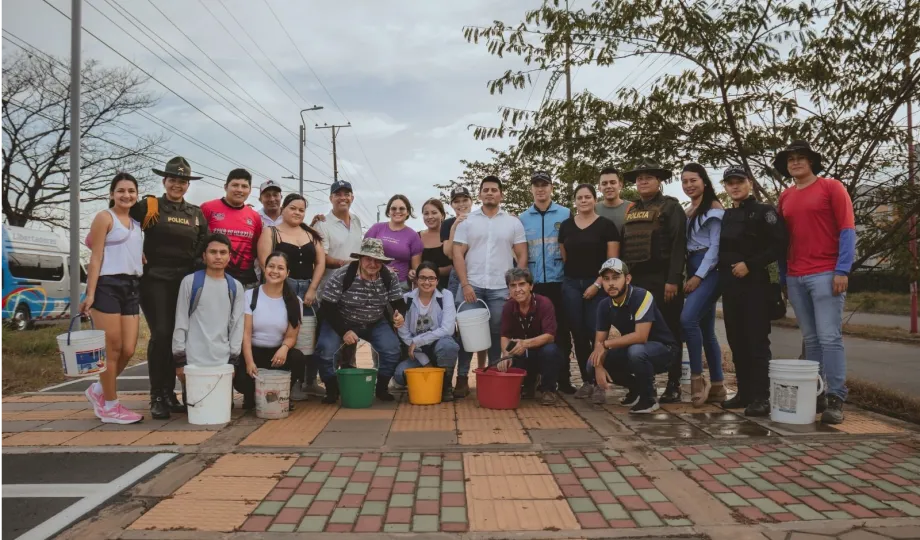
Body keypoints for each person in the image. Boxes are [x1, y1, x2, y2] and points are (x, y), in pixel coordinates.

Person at [775, 140, 855, 424]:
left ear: (811, 162)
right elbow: (782, 242)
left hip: (826, 272)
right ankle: (817, 393)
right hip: (796, 276)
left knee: (830, 337)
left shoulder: (832, 187)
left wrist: (842, 270)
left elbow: (847, 229)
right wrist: (783, 277)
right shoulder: (785, 197)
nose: (795, 163)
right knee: (810, 339)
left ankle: (836, 397)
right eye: (791, 159)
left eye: (801, 158)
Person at [131, 157, 209, 420]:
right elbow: (120, 220)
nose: (178, 184)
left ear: (188, 185)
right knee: (161, 334)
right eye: (173, 179)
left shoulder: (195, 214)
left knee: (178, 337)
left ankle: (170, 393)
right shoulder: (150, 205)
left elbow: (203, 246)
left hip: (184, 281)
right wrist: (133, 252)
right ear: (164, 181)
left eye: (183, 181)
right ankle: (157, 395)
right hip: (155, 279)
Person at [719, 166, 787, 417]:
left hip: (756, 286)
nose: (735, 186)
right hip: (731, 287)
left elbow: (779, 245)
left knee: (757, 342)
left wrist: (750, 265)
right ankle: (744, 393)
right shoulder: (727, 215)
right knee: (737, 341)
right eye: (730, 183)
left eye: (739, 181)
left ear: (749, 183)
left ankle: (762, 396)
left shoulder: (764, 212)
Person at [452, 176, 528, 395]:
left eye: (494, 190)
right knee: (467, 333)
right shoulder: (468, 221)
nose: (489, 193)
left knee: (498, 332)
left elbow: (522, 254)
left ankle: (495, 374)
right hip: (472, 286)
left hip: (501, 288)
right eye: (485, 190)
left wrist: (515, 287)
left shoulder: (512, 222)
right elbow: (457, 252)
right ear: (479, 195)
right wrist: (465, 284)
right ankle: (463, 378)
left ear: (501, 194)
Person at [619, 159, 686, 403]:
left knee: (670, 332)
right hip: (636, 282)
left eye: (649, 177)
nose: (643, 181)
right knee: (636, 332)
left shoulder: (670, 207)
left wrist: (673, 280)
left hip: (663, 280)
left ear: (659, 181)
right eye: (639, 178)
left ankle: (673, 383)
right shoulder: (631, 209)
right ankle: (640, 385)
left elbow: (679, 246)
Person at [80, 173, 145, 424]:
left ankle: (98, 390)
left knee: (129, 349)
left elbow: (131, 250)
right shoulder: (104, 218)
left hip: (131, 286)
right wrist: (90, 293)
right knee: (112, 349)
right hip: (108, 285)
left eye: (131, 191)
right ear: (111, 194)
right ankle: (110, 406)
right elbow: (95, 258)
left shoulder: (137, 224)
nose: (126, 195)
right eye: (120, 191)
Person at [316, 238, 408, 403]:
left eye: (377, 260)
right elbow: (327, 307)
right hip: (340, 320)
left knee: (392, 349)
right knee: (326, 349)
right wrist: (344, 331)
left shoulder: (389, 276)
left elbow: (398, 302)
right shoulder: (342, 274)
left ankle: (381, 387)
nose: (372, 263)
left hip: (375, 322)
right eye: (368, 259)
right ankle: (331, 389)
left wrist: (400, 315)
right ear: (360, 258)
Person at [256, 193, 326, 400]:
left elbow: (320, 262)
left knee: (309, 337)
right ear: (283, 209)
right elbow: (264, 263)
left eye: (301, 209)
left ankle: (310, 381)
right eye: (293, 208)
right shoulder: (271, 232)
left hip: (308, 291)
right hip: (281, 289)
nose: (297, 212)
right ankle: (288, 382)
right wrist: (281, 289)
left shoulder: (311, 234)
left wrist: (313, 288)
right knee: (286, 335)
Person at [587, 258, 679, 413]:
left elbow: (641, 336)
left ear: (627, 279)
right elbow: (599, 342)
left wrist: (605, 346)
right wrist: (598, 366)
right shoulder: (604, 305)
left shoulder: (642, 296)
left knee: (636, 351)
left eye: (616, 278)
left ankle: (648, 399)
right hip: (635, 350)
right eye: (606, 279)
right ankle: (636, 388)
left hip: (664, 350)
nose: (611, 283)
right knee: (591, 363)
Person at [557, 184, 620, 401]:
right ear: (575, 201)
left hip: (599, 285)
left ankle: (600, 382)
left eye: (587, 197)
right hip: (572, 284)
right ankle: (587, 381)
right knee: (578, 334)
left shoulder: (606, 226)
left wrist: (597, 284)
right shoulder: (565, 226)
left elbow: (612, 262)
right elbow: (565, 256)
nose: (583, 200)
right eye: (579, 197)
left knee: (597, 335)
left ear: (595, 199)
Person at [518, 171, 576, 395]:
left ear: (552, 187)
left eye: (545, 185)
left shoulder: (565, 213)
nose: (540, 189)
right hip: (534, 284)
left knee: (561, 332)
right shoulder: (523, 218)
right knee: (532, 332)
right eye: (536, 185)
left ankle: (564, 378)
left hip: (559, 281)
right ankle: (533, 378)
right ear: (531, 189)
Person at [172, 234, 245, 405]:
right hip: (194, 360)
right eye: (213, 252)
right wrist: (180, 360)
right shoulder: (190, 282)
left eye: (223, 252)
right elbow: (181, 321)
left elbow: (237, 325)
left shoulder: (235, 286)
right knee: (196, 407)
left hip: (222, 361)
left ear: (230, 256)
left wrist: (233, 361)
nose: (218, 256)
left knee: (222, 408)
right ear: (204, 256)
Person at [234, 252, 308, 409]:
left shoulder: (295, 301)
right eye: (271, 266)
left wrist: (284, 348)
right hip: (252, 351)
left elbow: (291, 336)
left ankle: (280, 394)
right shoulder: (250, 295)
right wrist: (249, 362)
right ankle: (251, 396)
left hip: (276, 355)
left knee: (297, 358)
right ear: (264, 268)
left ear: (287, 273)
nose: (275, 271)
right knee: (241, 379)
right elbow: (245, 334)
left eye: (280, 268)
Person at [679, 163, 726, 407]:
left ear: (704, 182)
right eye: (685, 181)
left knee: (688, 320)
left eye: (693, 180)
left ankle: (698, 379)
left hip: (709, 269)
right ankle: (718, 384)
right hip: (694, 264)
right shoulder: (691, 210)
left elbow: (716, 248)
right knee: (706, 330)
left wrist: (698, 276)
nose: (689, 185)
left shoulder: (714, 209)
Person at [440, 185, 486, 396]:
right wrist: (455, 227)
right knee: (463, 328)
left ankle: (484, 372)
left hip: (483, 276)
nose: (461, 204)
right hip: (459, 279)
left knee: (486, 327)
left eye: (464, 200)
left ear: (471, 200)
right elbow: (449, 253)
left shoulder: (481, 219)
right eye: (456, 201)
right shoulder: (449, 223)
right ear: (451, 205)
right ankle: (461, 377)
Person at [495, 268, 564, 405]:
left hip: (542, 350)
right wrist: (505, 355)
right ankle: (528, 384)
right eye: (513, 286)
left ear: (531, 286)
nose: (517, 289)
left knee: (550, 351)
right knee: (511, 353)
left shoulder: (544, 303)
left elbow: (550, 336)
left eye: (522, 284)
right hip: (522, 352)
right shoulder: (508, 307)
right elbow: (505, 335)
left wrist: (525, 343)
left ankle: (548, 390)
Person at [393, 262, 460, 402]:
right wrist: (425, 361)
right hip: (417, 352)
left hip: (438, 345)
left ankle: (445, 387)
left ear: (437, 280)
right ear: (416, 280)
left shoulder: (445, 296)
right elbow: (404, 334)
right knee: (400, 375)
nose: (427, 282)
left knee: (449, 345)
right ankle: (433, 372)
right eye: (422, 278)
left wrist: (418, 340)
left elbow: (448, 329)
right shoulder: (407, 299)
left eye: (431, 278)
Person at [201, 168, 262, 289]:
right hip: (212, 276)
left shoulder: (254, 217)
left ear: (250, 190)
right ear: (225, 187)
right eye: (235, 185)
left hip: (244, 280)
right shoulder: (207, 208)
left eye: (244, 186)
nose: (239, 190)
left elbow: (255, 249)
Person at [365, 194, 423, 289]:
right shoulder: (376, 228)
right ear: (388, 211)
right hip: (374, 282)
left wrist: (413, 273)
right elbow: (364, 256)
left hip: (400, 285)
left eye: (402, 208)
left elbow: (416, 268)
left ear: (408, 212)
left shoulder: (413, 236)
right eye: (393, 208)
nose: (397, 211)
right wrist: (382, 268)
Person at [314, 180, 364, 287]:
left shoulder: (356, 220)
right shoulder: (322, 224)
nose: (343, 198)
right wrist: (345, 263)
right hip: (332, 285)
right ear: (331, 198)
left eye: (347, 194)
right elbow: (321, 258)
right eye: (338, 195)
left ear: (352, 198)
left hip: (356, 283)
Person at [419, 199, 452, 290]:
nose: (430, 217)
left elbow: (457, 263)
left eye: (434, 213)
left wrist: (432, 272)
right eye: (426, 214)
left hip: (449, 287)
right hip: (423, 288)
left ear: (442, 215)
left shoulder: (451, 235)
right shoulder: (417, 236)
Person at [595, 167, 631, 233]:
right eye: (604, 183)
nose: (608, 186)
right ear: (599, 187)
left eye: (613, 182)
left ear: (620, 185)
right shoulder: (593, 210)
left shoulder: (632, 208)